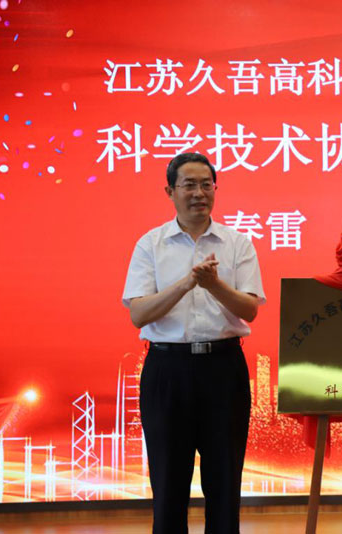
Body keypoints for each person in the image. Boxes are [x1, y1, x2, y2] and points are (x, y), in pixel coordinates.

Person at [122, 152, 265, 534]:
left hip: (223, 369)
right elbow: (139, 314)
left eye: (206, 185)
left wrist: (213, 284)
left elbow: (250, 310)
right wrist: (187, 283)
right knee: (168, 483)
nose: (199, 193)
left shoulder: (237, 243)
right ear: (170, 191)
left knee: (225, 481)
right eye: (189, 185)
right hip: (167, 370)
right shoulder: (151, 244)